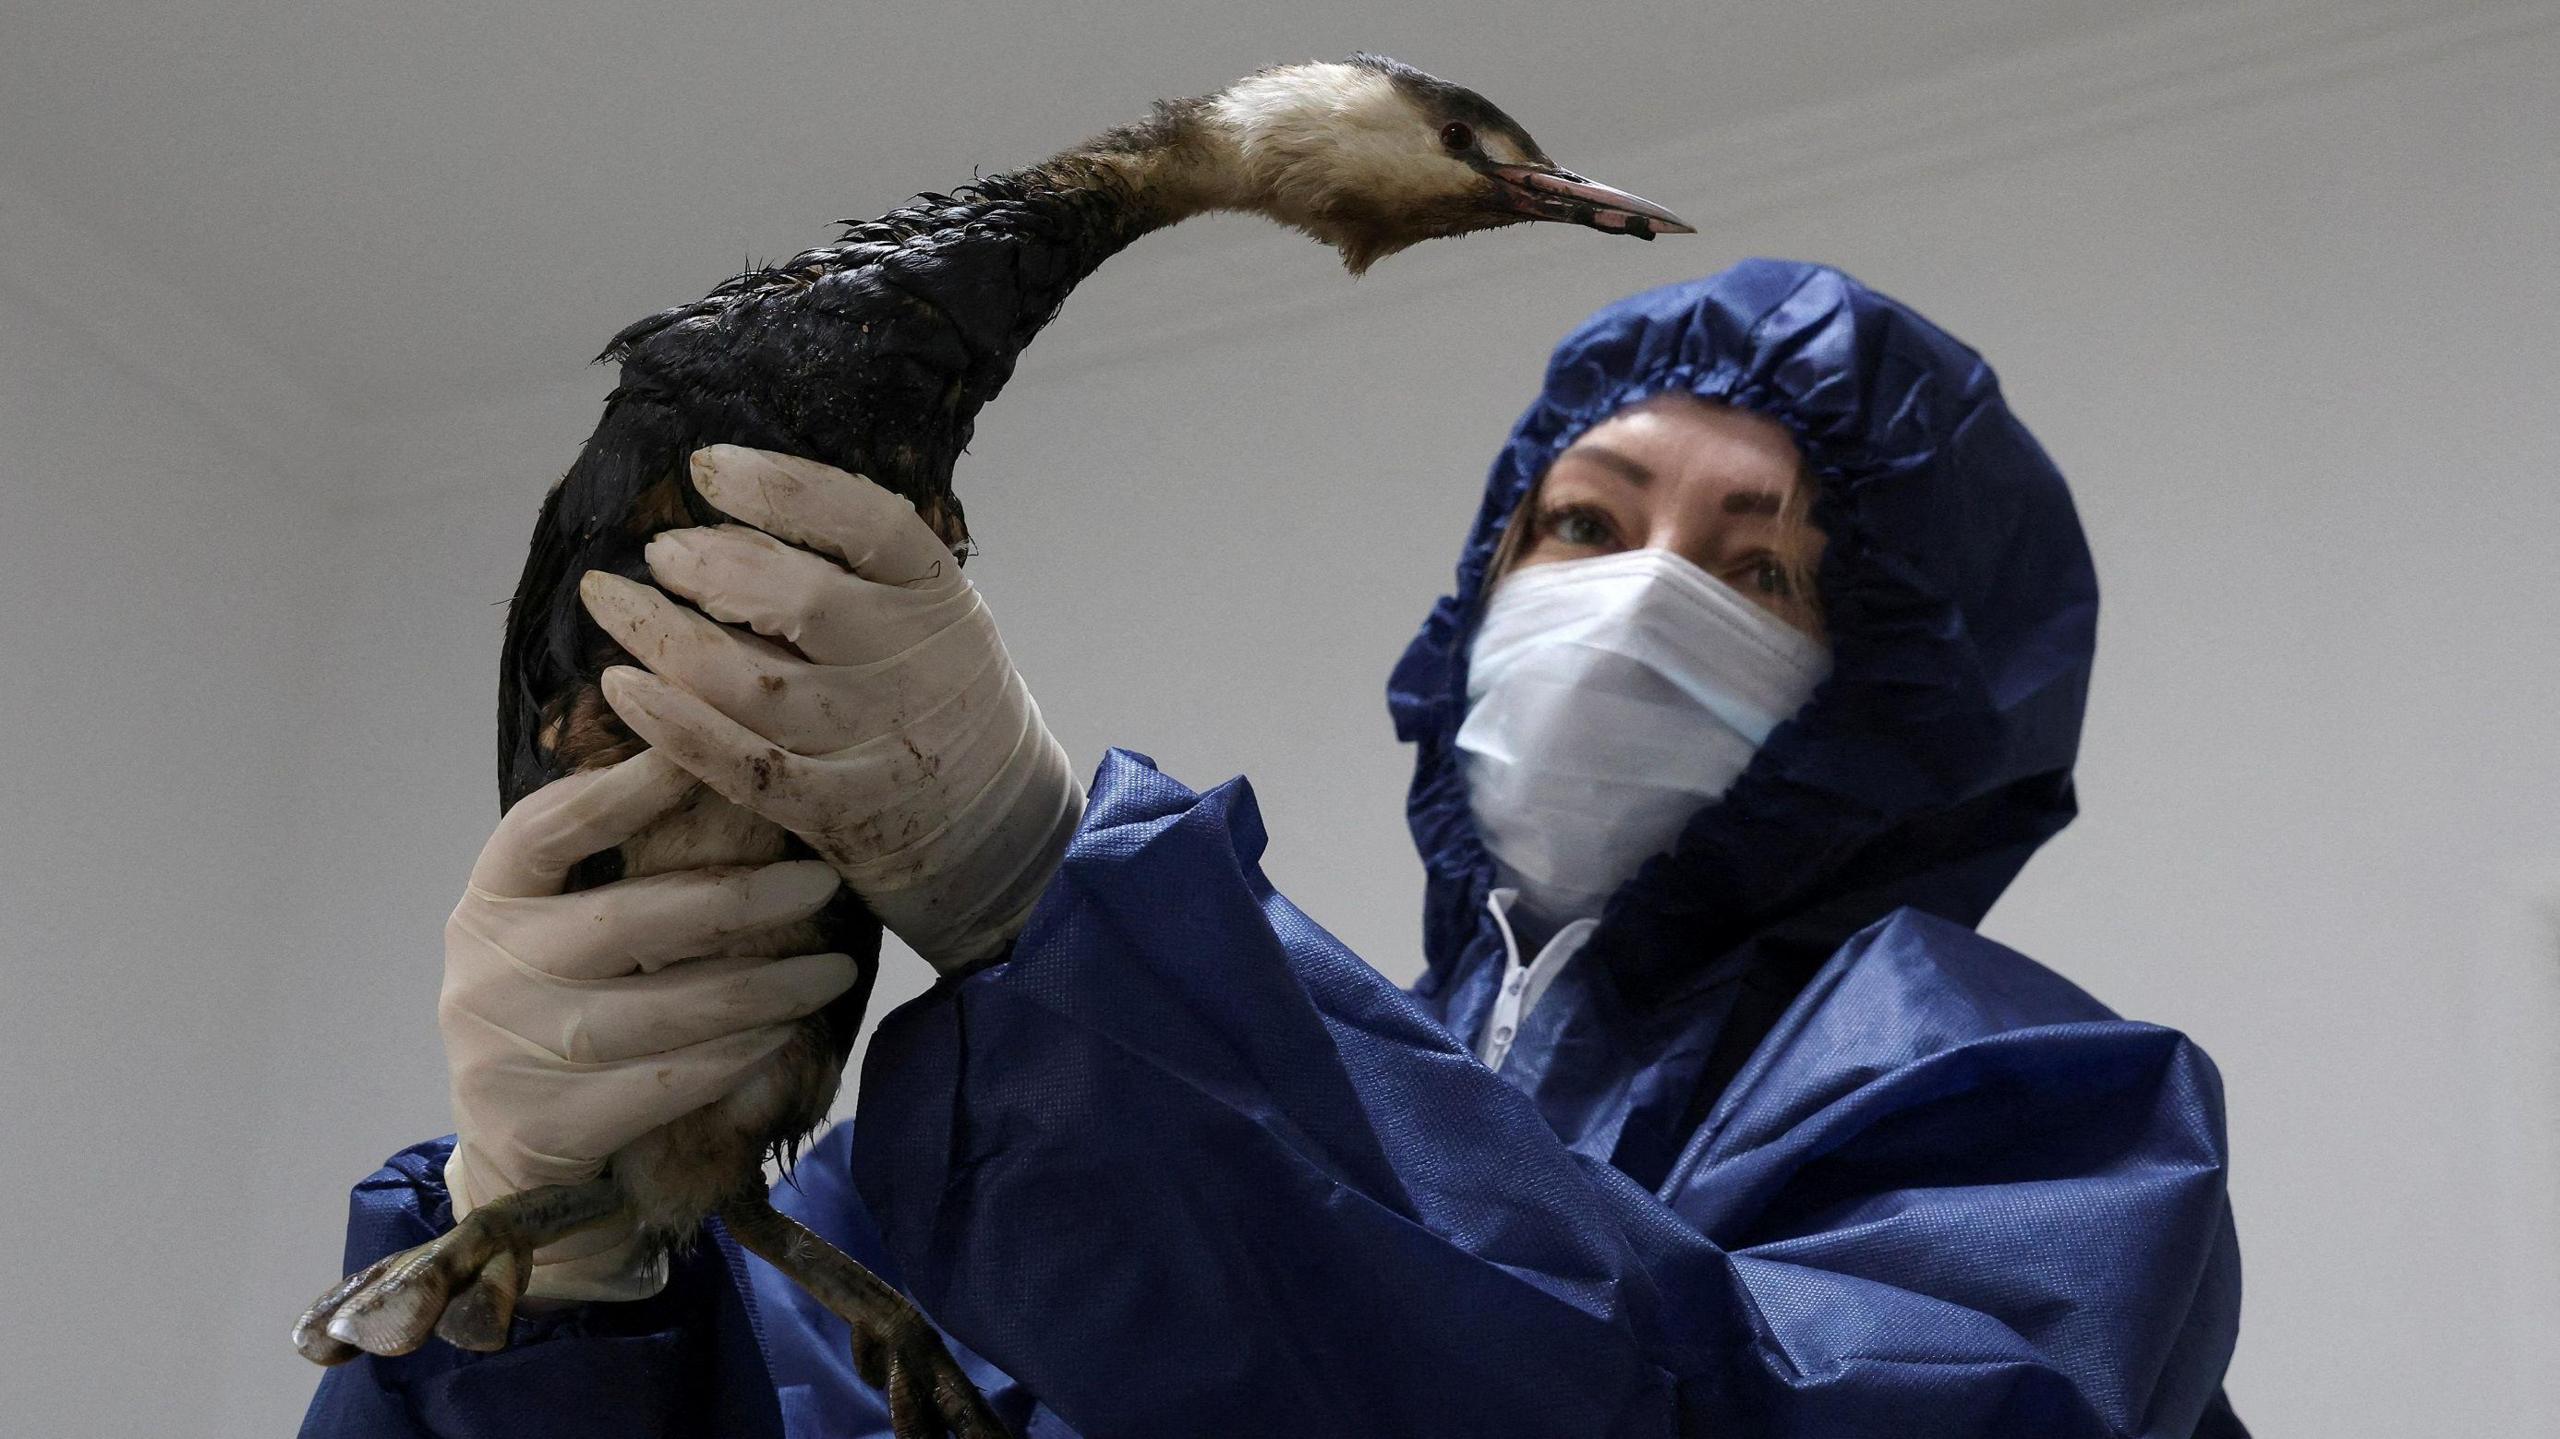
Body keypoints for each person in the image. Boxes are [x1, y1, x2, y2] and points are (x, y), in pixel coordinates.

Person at [302, 259, 2247, 1438]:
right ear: (1478, 592)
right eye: (1585, 525)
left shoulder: (2020, 1115)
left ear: (1882, 700)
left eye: (1758, 570)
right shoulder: (1021, 1149)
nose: (1646, 602)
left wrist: (1048, 904)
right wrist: (552, 1287)